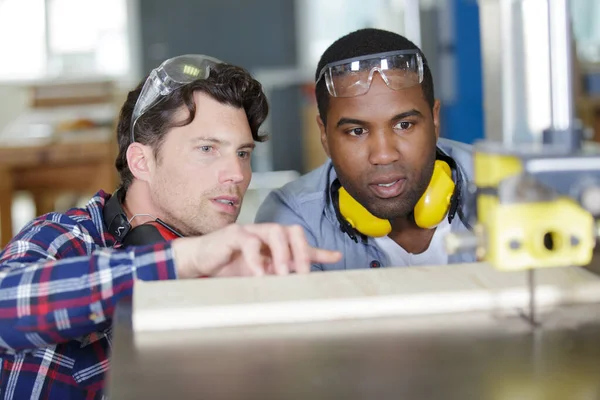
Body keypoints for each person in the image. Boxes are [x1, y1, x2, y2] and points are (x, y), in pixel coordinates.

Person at [0, 54, 341, 399]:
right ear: (141, 161)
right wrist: (179, 260)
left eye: (242, 153)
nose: (237, 175)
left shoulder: (232, 266)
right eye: (207, 148)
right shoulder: (64, 240)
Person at [255, 28, 476, 271]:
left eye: (404, 125)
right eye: (356, 131)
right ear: (324, 135)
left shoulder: (504, 187)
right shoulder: (295, 217)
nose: (383, 155)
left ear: (434, 121)